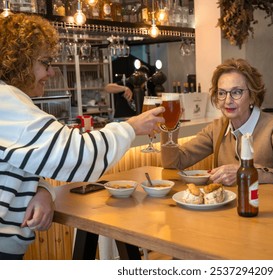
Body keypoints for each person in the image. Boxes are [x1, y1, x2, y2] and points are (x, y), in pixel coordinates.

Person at [0, 14, 165, 259]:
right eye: (45, 62)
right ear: (19, 62)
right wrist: (130, 128)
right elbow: (76, 156)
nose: (52, 72)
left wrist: (42, 189)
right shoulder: (6, 101)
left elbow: (24, 162)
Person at [161, 58, 273, 186]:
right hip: (224, 207)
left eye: (236, 92)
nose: (227, 100)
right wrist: (169, 128)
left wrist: (246, 172)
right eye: (221, 93)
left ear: (252, 96)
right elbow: (174, 163)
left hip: (265, 207)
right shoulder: (217, 128)